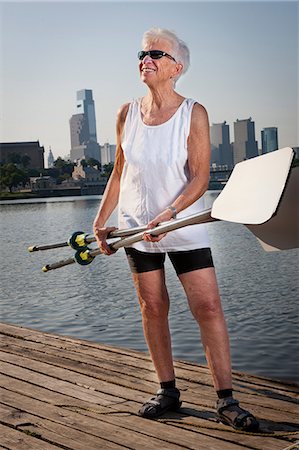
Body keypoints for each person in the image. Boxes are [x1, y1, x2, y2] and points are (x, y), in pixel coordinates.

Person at [93, 27, 259, 431]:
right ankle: (167, 390)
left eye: (155, 54)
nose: (145, 59)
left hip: (182, 223)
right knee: (153, 307)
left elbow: (200, 179)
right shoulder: (126, 113)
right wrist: (100, 222)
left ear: (176, 67)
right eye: (142, 53)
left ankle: (226, 399)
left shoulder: (193, 113)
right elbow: (119, 171)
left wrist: (170, 213)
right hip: (136, 228)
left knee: (208, 307)